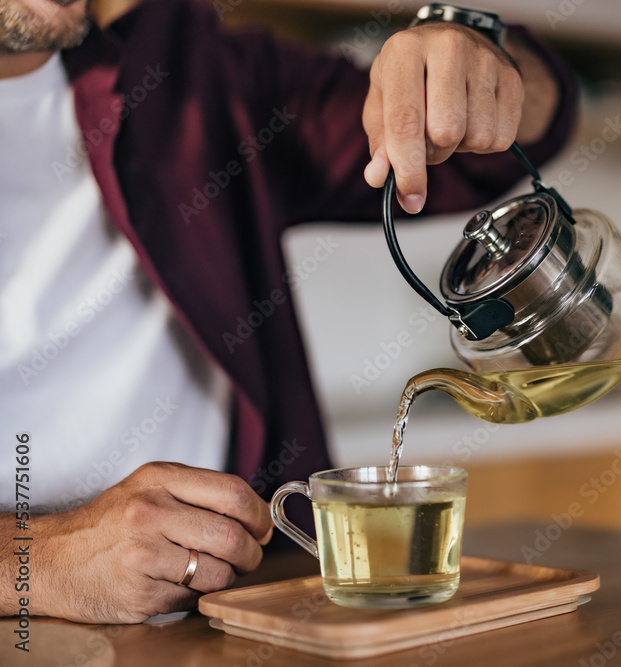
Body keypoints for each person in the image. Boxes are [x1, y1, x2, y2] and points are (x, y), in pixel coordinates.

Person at [0, 0, 576, 623]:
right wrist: (35, 563)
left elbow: (487, 136)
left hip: (245, 621)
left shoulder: (186, 72)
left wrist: (468, 53)